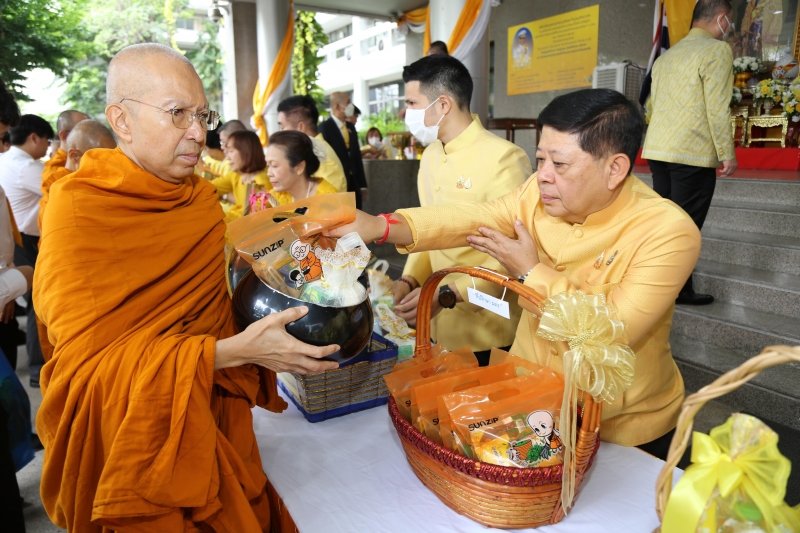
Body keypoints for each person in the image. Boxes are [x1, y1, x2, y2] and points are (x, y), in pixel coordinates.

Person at [34, 43, 339, 533]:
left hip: (208, 420)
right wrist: (223, 354)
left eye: (202, 115)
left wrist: (294, 272)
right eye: (178, 114)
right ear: (122, 120)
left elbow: (213, 302)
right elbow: (86, 373)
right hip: (132, 443)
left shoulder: (199, 202)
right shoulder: (80, 210)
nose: (199, 134)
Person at [331, 88, 701, 458]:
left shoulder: (668, 230)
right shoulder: (535, 196)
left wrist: (530, 272)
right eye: (540, 159)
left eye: (560, 164)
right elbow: (473, 217)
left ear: (615, 169)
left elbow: (611, 331)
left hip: (622, 428)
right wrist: (381, 226)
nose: (542, 176)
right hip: (535, 407)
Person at [392, 55, 531, 366]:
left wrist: (448, 294)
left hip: (488, 321)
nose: (406, 113)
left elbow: (513, 255)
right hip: (437, 319)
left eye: (413, 104)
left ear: (443, 105)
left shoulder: (503, 159)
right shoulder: (429, 156)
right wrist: (410, 281)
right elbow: (429, 228)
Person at [643, 0, 736, 306]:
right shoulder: (717, 51)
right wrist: (727, 152)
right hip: (691, 153)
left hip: (659, 150)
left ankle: (674, 288)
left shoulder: (665, 59)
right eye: (730, 22)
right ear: (721, 19)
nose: (729, 28)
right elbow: (718, 109)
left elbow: (651, 108)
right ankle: (665, 290)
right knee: (684, 227)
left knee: (667, 222)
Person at [36, 120, 116, 365]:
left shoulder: (98, 186)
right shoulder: (59, 188)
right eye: (99, 160)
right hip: (69, 291)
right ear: (74, 155)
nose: (107, 168)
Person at [0, 114, 53, 388]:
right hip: (24, 246)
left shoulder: (6, 160)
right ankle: (39, 368)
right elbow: (63, 189)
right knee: (38, 306)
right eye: (47, 141)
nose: (47, 148)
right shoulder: (27, 166)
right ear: (34, 137)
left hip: (15, 246)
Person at [276, 95, 347, 192]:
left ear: (300, 127)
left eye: (283, 127)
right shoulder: (309, 152)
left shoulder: (322, 158)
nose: (280, 133)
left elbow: (329, 202)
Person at [252, 130, 337, 210]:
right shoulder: (279, 194)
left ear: (299, 167)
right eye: (268, 165)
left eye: (274, 165)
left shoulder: (328, 199)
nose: (269, 173)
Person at [319, 92, 368, 209]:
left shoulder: (351, 127)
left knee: (357, 216)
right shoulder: (324, 128)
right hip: (337, 185)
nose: (351, 106)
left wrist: (363, 185)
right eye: (348, 103)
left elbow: (356, 158)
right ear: (337, 106)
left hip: (354, 183)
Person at [207, 120, 250, 220]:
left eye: (224, 143)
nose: (222, 148)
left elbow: (252, 212)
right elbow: (209, 188)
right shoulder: (235, 174)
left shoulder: (260, 178)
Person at [224, 129, 270, 214]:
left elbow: (251, 215)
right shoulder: (235, 175)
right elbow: (211, 187)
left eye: (231, 151)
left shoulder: (261, 182)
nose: (228, 157)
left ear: (246, 151)